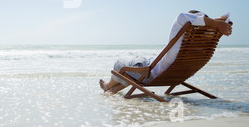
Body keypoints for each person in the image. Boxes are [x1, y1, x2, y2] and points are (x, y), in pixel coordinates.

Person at [99, 11, 233, 94]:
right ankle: (113, 91)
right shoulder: (203, 44)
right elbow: (207, 24)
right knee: (134, 69)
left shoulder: (185, 30)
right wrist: (216, 23)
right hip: (176, 74)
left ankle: (108, 86)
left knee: (119, 65)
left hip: (148, 72)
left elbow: (182, 16)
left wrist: (214, 23)